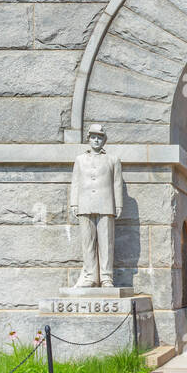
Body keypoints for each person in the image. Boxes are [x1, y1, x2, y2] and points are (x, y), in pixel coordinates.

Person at [69, 123, 124, 288]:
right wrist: (74, 203)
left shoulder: (113, 160)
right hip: (85, 204)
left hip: (106, 204)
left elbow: (117, 184)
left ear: (104, 140)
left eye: (100, 137)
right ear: (88, 139)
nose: (96, 140)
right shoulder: (79, 159)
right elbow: (75, 182)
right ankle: (90, 277)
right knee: (88, 241)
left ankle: (106, 277)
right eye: (93, 137)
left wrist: (118, 205)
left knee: (106, 242)